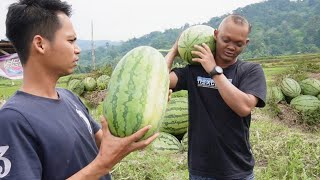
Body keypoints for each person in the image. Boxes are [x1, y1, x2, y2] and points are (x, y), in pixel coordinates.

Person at [0, 0, 159, 179]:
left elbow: (107, 146)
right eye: (71, 41)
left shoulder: (70, 98)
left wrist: (148, 102)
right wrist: (102, 165)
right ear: (40, 44)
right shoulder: (13, 119)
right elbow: (104, 160)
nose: (77, 50)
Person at [166, 14, 267, 180]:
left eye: (238, 43)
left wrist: (214, 70)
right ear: (216, 34)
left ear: (246, 43)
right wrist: (174, 50)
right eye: (226, 40)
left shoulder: (251, 71)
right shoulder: (194, 70)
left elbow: (244, 107)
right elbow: (160, 81)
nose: (231, 47)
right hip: (201, 170)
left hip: (237, 170)